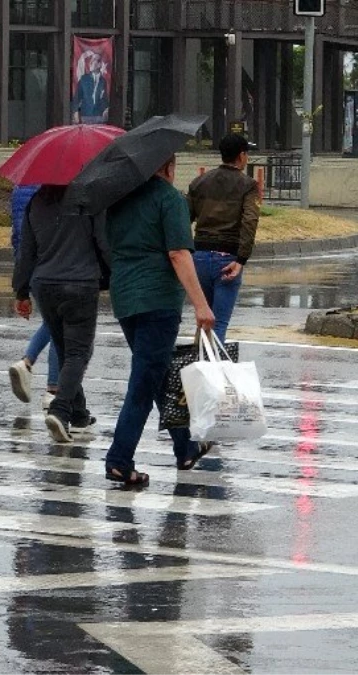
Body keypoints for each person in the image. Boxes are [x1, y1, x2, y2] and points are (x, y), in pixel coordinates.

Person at [103, 155, 216, 487]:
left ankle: (186, 448)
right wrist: (201, 305)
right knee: (143, 384)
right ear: (168, 166)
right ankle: (119, 460)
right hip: (158, 301)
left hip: (125, 297)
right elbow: (179, 254)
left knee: (159, 373)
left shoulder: (119, 199)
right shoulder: (170, 199)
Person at [11, 185, 110, 443]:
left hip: (45, 284)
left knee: (66, 351)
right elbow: (104, 242)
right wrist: (111, 276)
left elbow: (26, 251)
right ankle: (60, 410)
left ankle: (79, 414)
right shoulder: (89, 199)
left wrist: (21, 290)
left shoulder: (36, 201)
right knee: (78, 352)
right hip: (80, 282)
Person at [188, 133, 260, 343]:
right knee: (219, 323)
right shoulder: (247, 185)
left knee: (204, 320)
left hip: (199, 255)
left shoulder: (199, 182)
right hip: (227, 258)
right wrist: (241, 259)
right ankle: (212, 368)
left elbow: (184, 218)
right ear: (241, 156)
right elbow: (250, 222)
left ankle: (199, 366)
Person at [6, 183, 62, 411]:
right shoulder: (59, 188)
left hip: (32, 268)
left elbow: (19, 237)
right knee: (62, 326)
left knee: (54, 323)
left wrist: (21, 286)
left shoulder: (20, 190)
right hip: (58, 263)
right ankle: (52, 389)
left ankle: (28, 364)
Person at [72, 51, 108, 124]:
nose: (90, 63)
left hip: (99, 115)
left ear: (99, 64)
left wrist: (106, 108)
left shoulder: (103, 81)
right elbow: (77, 97)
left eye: (93, 60)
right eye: (90, 61)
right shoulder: (83, 79)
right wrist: (75, 111)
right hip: (85, 115)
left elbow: (104, 97)